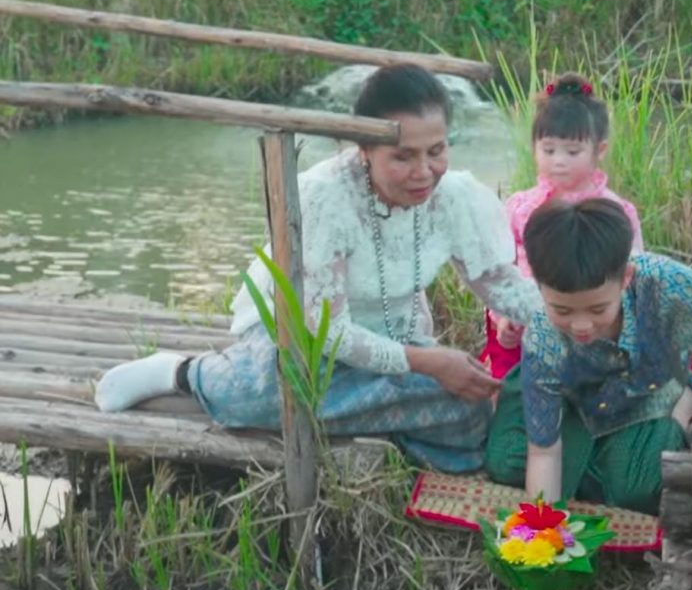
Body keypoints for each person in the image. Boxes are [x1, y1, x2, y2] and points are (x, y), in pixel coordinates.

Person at [95, 64, 542, 472]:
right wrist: (431, 363)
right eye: (403, 157)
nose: (424, 172)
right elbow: (323, 329)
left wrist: (571, 315)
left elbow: (498, 282)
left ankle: (368, 413)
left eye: (436, 151)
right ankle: (182, 372)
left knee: (469, 412)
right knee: (263, 396)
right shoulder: (326, 197)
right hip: (300, 336)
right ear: (365, 149)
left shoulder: (455, 198)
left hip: (394, 336)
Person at [484, 198, 692, 513]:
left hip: (645, 386)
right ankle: (600, 454)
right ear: (539, 287)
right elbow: (544, 451)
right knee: (507, 461)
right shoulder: (543, 337)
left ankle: (683, 399)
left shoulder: (660, 282)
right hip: (573, 393)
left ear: (626, 279)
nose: (581, 325)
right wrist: (543, 525)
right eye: (562, 310)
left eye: (597, 309)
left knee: (637, 489)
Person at [481, 72, 643, 380]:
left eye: (572, 151)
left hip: (592, 321)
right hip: (527, 317)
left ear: (600, 150)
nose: (558, 161)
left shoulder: (616, 211)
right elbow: (499, 267)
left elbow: (635, 271)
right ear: (534, 147)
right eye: (549, 149)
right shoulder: (519, 207)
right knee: (508, 378)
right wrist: (503, 316)